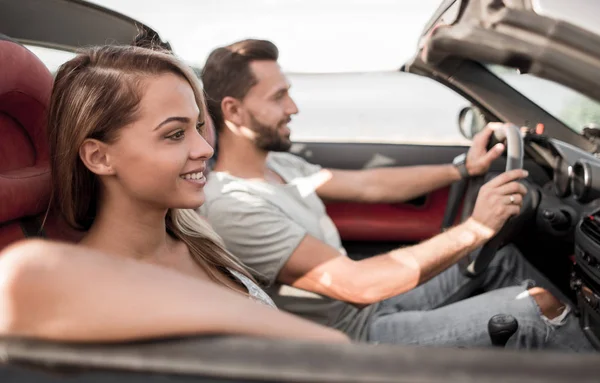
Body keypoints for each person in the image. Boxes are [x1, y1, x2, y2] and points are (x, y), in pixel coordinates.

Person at [199, 39, 592, 350]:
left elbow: (370, 185)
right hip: (348, 336)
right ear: (233, 112)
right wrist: (475, 228)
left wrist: (461, 170)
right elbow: (358, 285)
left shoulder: (282, 168)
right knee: (539, 309)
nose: (294, 107)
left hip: (369, 306)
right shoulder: (234, 206)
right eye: (278, 97)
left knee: (501, 260)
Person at [0, 45, 348, 344]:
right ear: (99, 157)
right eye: (174, 134)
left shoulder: (198, 237)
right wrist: (328, 346)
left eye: (197, 127)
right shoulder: (78, 287)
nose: (204, 148)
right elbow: (25, 275)